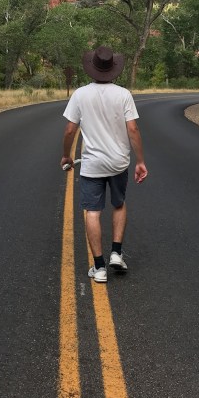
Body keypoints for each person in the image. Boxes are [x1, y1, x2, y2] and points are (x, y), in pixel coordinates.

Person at [61, 45, 148, 283]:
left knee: (93, 211)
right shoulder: (124, 94)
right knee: (119, 204)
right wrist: (140, 161)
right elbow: (133, 129)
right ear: (113, 69)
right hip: (119, 162)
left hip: (92, 164)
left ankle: (99, 268)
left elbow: (70, 129)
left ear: (92, 67)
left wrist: (66, 155)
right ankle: (116, 253)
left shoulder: (80, 94)